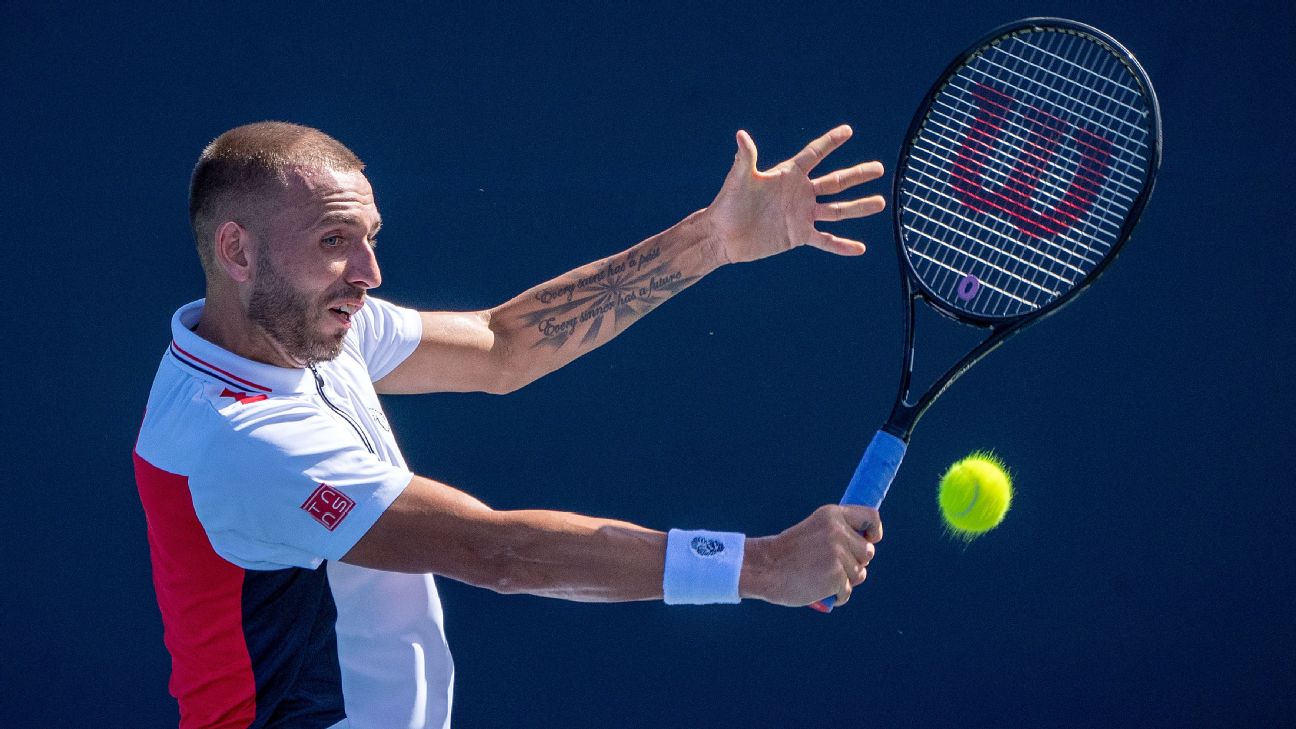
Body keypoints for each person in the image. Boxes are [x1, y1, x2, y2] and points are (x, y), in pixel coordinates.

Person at [134, 121, 887, 729]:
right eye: (334, 242)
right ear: (237, 250)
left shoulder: (307, 329)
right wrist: (759, 566)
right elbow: (497, 550)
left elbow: (504, 344)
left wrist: (712, 240)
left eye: (371, 236)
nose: (369, 272)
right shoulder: (241, 440)